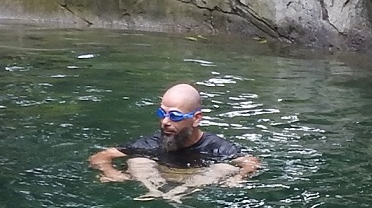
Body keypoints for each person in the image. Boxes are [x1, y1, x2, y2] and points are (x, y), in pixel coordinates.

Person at [87, 82, 262, 201]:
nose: (165, 121)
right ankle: (154, 192)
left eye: (175, 116)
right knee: (138, 161)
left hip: (195, 182)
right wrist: (111, 173)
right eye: (162, 113)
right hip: (157, 179)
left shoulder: (215, 147)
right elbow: (102, 156)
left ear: (196, 119)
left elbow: (251, 162)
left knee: (224, 168)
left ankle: (176, 195)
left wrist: (239, 178)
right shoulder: (153, 142)